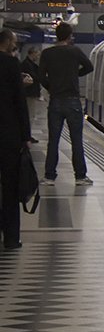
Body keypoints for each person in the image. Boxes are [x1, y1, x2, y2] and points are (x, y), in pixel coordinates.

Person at [39, 22, 94, 185]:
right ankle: (80, 176)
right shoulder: (75, 51)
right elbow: (89, 67)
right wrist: (75, 75)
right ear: (70, 36)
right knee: (76, 140)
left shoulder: (47, 54)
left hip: (55, 101)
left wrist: (52, 86)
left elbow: (41, 76)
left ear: (56, 35)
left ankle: (49, 176)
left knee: (53, 140)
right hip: (73, 101)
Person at [0, 29, 31, 249]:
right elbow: (20, 104)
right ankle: (11, 238)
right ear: (8, 43)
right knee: (10, 187)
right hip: (8, 135)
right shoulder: (11, 65)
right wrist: (25, 136)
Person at [20, 46, 42, 142]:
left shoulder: (30, 64)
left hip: (30, 92)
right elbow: (34, 77)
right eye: (37, 54)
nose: (38, 56)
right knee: (30, 115)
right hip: (29, 93)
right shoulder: (27, 65)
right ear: (32, 53)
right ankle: (27, 136)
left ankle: (28, 134)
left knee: (31, 114)